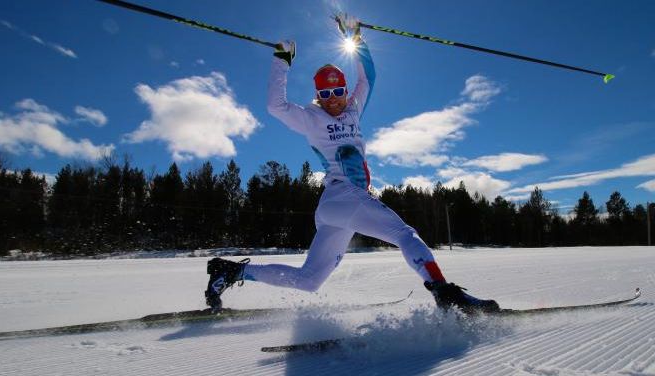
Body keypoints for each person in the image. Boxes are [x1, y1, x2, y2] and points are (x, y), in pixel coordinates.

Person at [204, 15, 499, 315]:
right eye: (325, 94)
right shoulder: (311, 119)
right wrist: (282, 60)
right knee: (404, 234)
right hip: (344, 196)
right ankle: (445, 293)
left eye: (338, 92)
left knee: (309, 280)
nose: (333, 100)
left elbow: (368, 76)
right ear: (317, 96)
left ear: (345, 90)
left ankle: (230, 272)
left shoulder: (354, 109)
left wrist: (355, 37)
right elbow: (275, 106)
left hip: (337, 208)